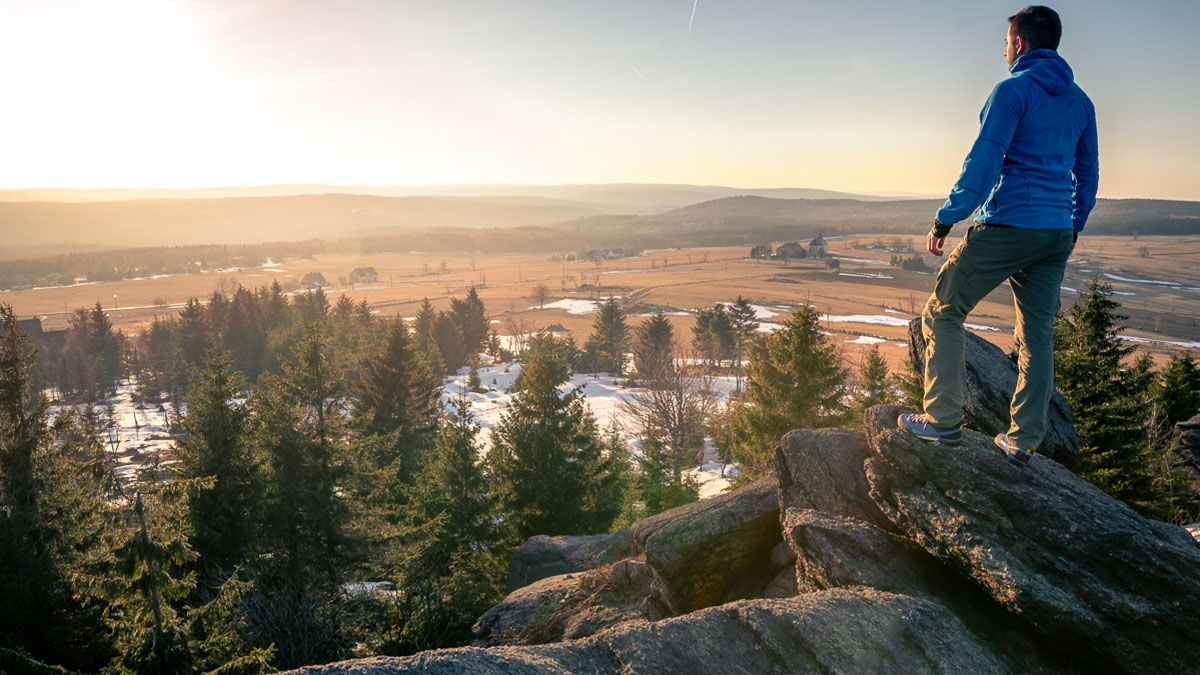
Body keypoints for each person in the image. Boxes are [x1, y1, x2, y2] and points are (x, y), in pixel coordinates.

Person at [898, 5, 1098, 466]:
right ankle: (1023, 440)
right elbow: (1088, 174)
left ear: (1020, 43)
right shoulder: (1081, 102)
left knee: (944, 310)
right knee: (1037, 335)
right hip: (1055, 233)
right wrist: (1073, 227)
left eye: (1006, 42)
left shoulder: (1012, 91)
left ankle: (943, 420)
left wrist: (948, 217)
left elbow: (985, 160)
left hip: (1009, 224)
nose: (1005, 49)